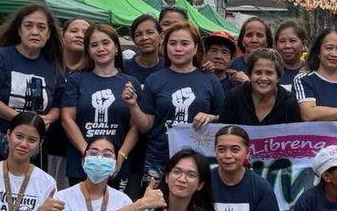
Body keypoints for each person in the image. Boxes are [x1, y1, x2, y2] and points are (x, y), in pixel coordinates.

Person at [130, 21, 224, 180]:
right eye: (172, 43)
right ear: (165, 47)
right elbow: (145, 126)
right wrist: (132, 105)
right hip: (159, 158)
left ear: (195, 48)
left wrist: (211, 118)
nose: (178, 48)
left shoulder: (210, 79)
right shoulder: (154, 79)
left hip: (200, 159)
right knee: (156, 204)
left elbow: (226, 118)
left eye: (184, 43)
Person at [59, 22, 139, 185]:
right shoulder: (76, 80)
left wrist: (121, 156)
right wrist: (87, 153)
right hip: (81, 163)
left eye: (106, 43)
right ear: (88, 50)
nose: (100, 48)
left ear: (116, 47)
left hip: (116, 165)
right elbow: (67, 118)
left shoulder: (131, 83)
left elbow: (135, 126)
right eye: (94, 45)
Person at [0, 2, 62, 161]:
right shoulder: (1, 57)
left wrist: (47, 119)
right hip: (0, 141)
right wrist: (22, 120)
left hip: (36, 145)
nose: (35, 31)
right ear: (19, 30)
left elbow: (59, 104)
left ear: (49, 34)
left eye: (41, 27)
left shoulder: (53, 65)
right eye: (28, 26)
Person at [223, 48, 302, 127]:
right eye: (258, 72)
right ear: (249, 75)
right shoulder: (234, 96)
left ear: (278, 77)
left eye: (269, 73)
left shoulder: (289, 102)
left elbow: (293, 136)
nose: (263, 78)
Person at [124, 14, 163, 85]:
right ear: (134, 40)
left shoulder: (169, 67)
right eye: (138, 34)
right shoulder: (124, 68)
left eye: (150, 32)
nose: (144, 38)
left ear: (161, 37)